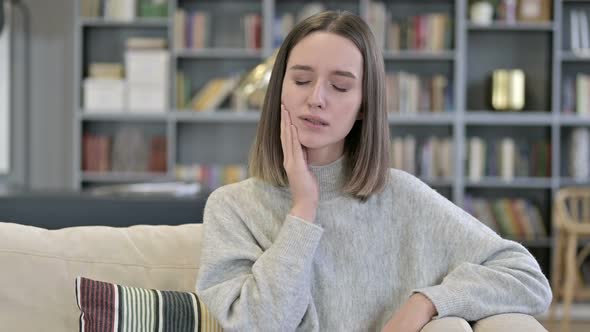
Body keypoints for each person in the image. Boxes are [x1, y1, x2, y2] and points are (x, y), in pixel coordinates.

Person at [195, 10, 552, 332]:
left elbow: (526, 277)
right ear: (279, 92)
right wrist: (303, 208)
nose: (317, 97)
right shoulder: (232, 208)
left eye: (340, 86)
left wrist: (426, 303)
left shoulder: (402, 196)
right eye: (301, 80)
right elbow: (261, 325)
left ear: (363, 106)